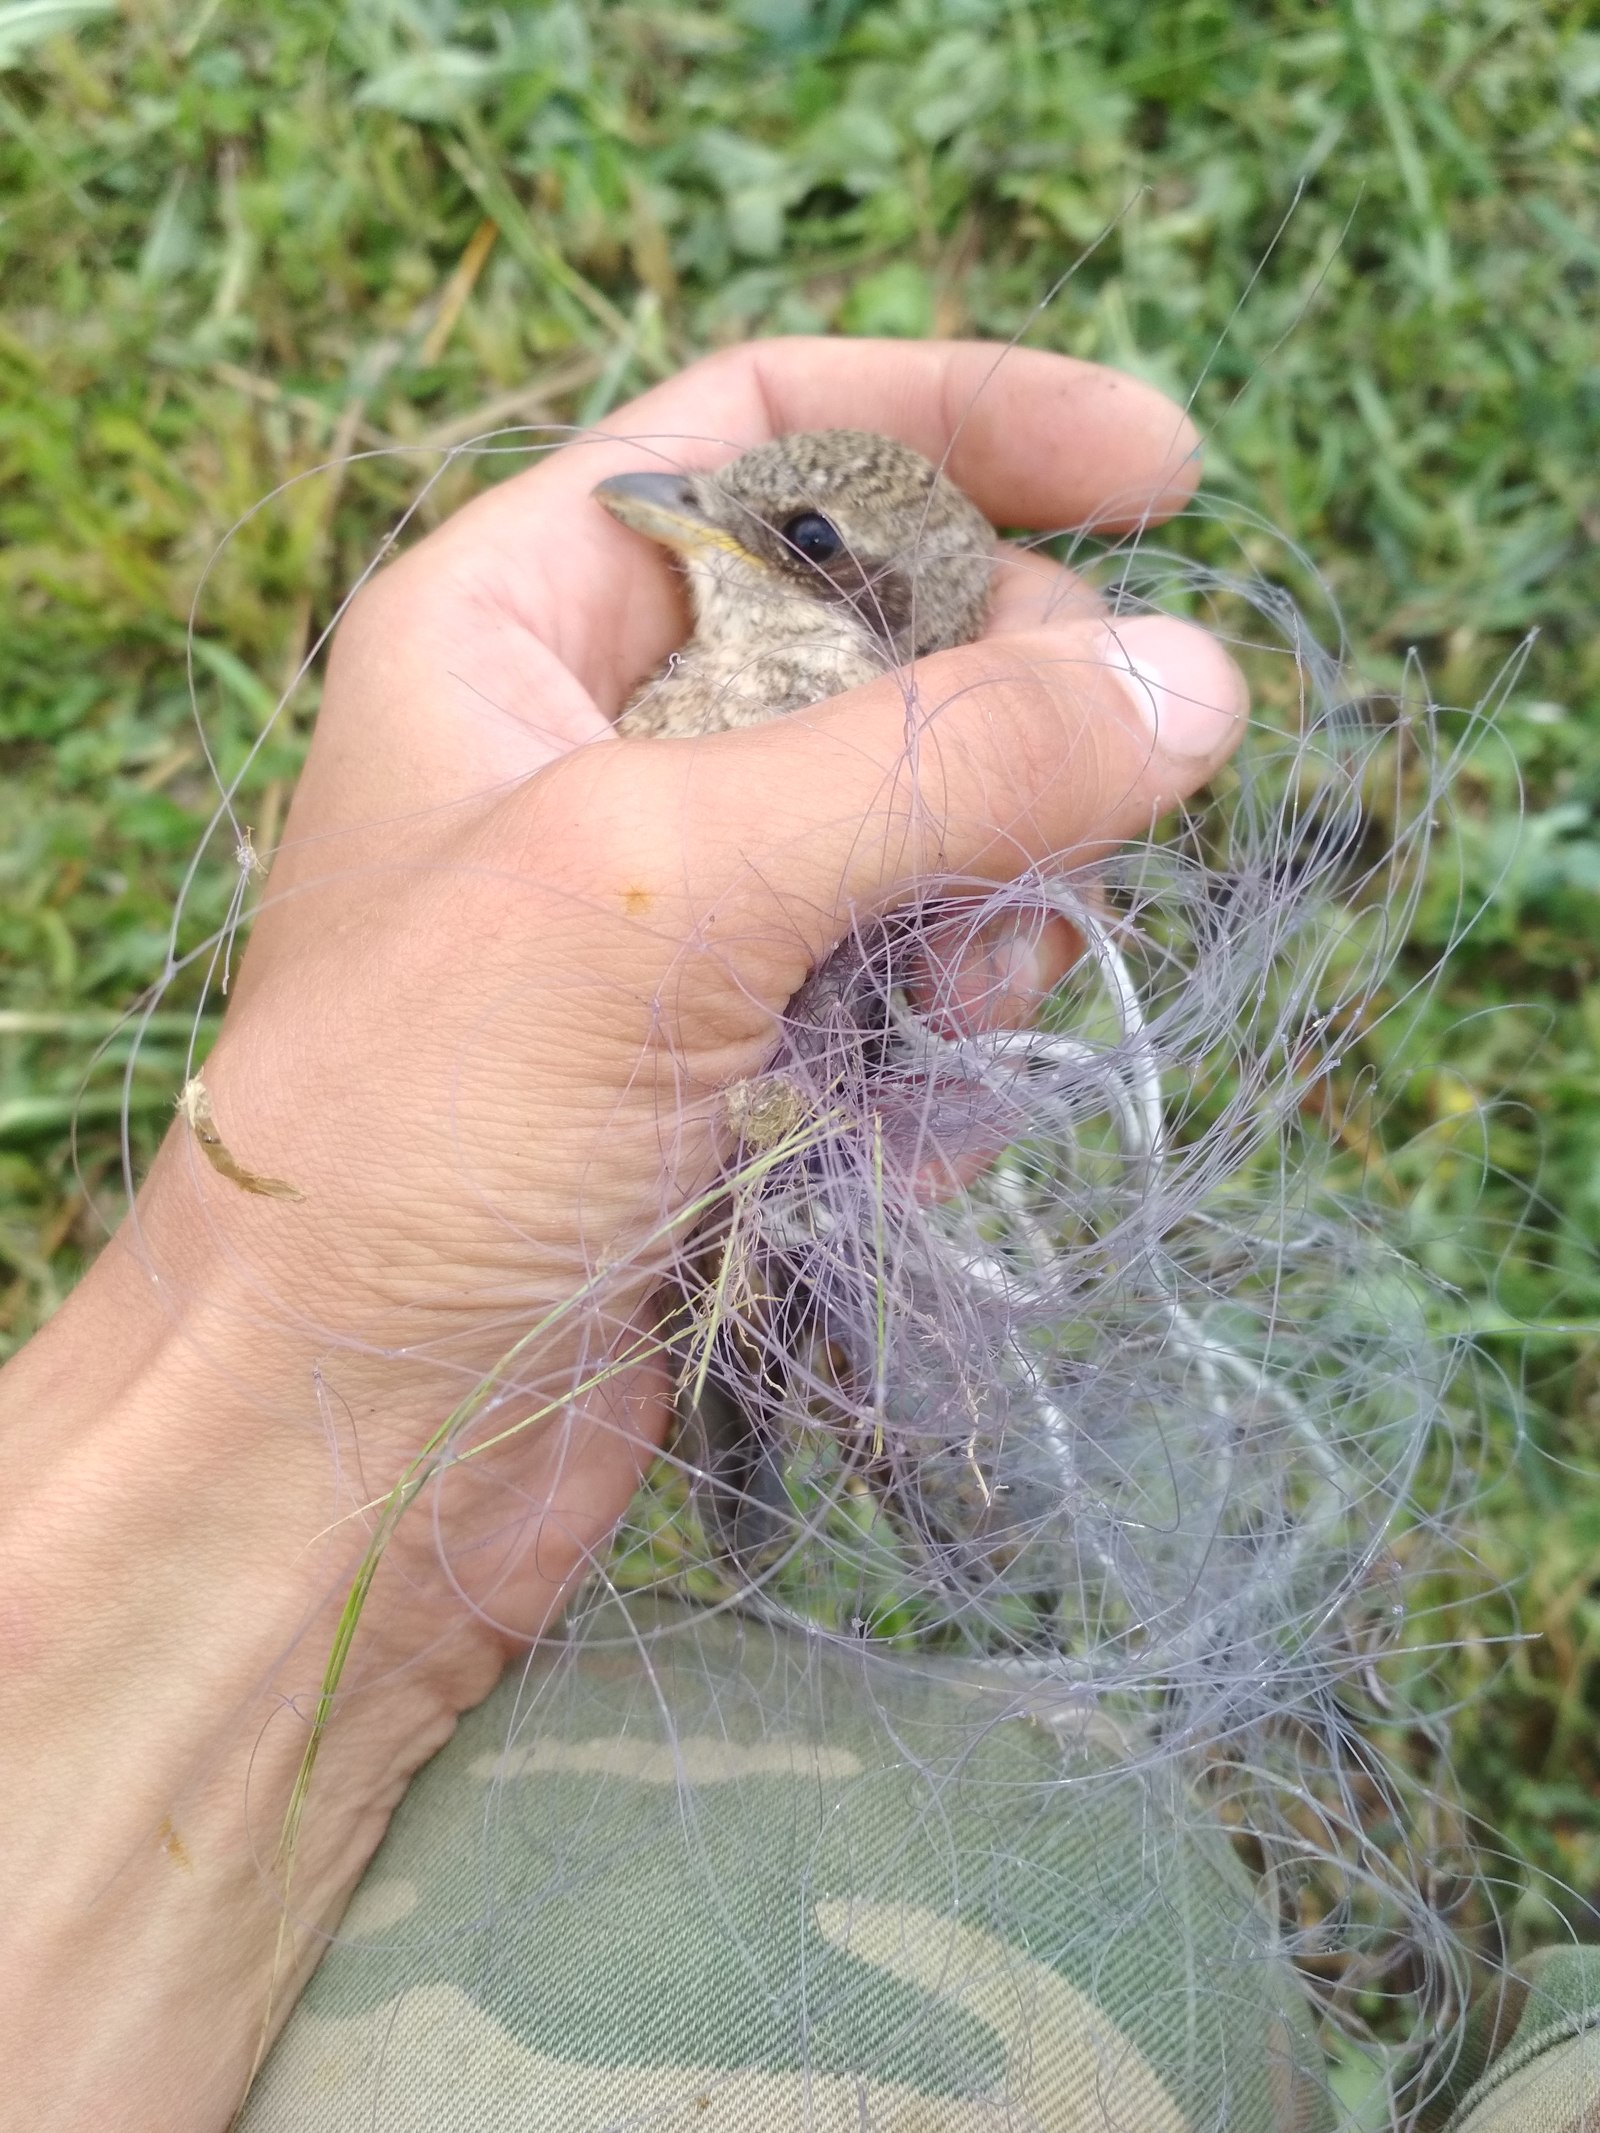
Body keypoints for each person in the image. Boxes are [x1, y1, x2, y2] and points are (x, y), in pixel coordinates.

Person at [0, 338, 1256, 2127]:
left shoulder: (822, 755)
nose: (674, 515)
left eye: (788, 536)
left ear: (869, 611)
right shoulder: (684, 727)